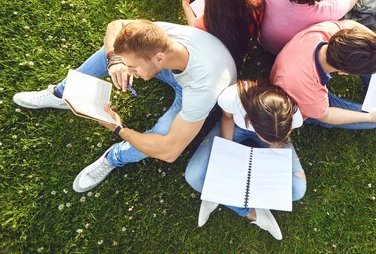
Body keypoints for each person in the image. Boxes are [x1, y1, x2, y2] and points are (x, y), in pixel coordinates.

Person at [13, 20, 237, 192]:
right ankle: (63, 92)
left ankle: (113, 157)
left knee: (162, 135)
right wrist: (114, 60)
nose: (129, 72)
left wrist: (118, 128)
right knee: (114, 50)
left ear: (158, 58)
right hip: (184, 65)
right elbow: (116, 25)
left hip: (193, 86)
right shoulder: (155, 38)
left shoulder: (200, 91)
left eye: (133, 68)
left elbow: (169, 151)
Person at [184, 80, 306, 240]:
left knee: (297, 190)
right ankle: (252, 213)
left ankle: (218, 194)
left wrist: (271, 152)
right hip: (236, 127)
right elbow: (227, 118)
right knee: (193, 176)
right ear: (250, 119)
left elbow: (277, 139)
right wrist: (227, 150)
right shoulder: (232, 97)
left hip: (274, 135)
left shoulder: (292, 114)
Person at [270, 20, 376, 129]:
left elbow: (349, 23)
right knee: (371, 122)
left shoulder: (325, 34)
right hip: (299, 100)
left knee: (368, 60)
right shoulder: (309, 92)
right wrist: (370, 118)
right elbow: (326, 115)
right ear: (343, 73)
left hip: (296, 66)